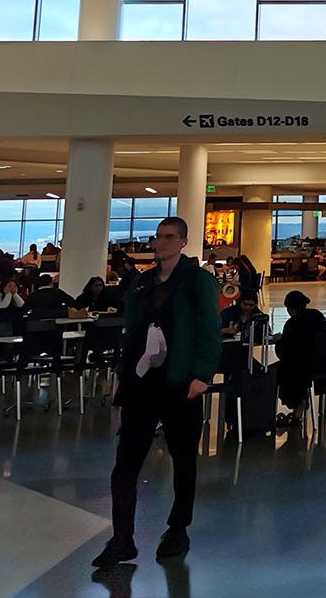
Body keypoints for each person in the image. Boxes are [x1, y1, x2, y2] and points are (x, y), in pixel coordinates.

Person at [92, 217, 220, 567]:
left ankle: (178, 527)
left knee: (183, 458)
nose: (161, 242)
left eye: (169, 237)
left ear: (183, 241)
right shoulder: (140, 284)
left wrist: (202, 374)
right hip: (141, 384)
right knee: (126, 462)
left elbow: (210, 328)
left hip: (180, 384)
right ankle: (122, 537)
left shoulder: (198, 282)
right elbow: (132, 333)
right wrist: (123, 378)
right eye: (158, 236)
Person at [271, 290, 326, 426]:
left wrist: (278, 341)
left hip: (301, 370)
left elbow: (283, 354)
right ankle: (300, 405)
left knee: (272, 373)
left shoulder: (292, 324)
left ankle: (297, 403)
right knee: (297, 367)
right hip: (323, 367)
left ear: (290, 308)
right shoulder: (318, 316)